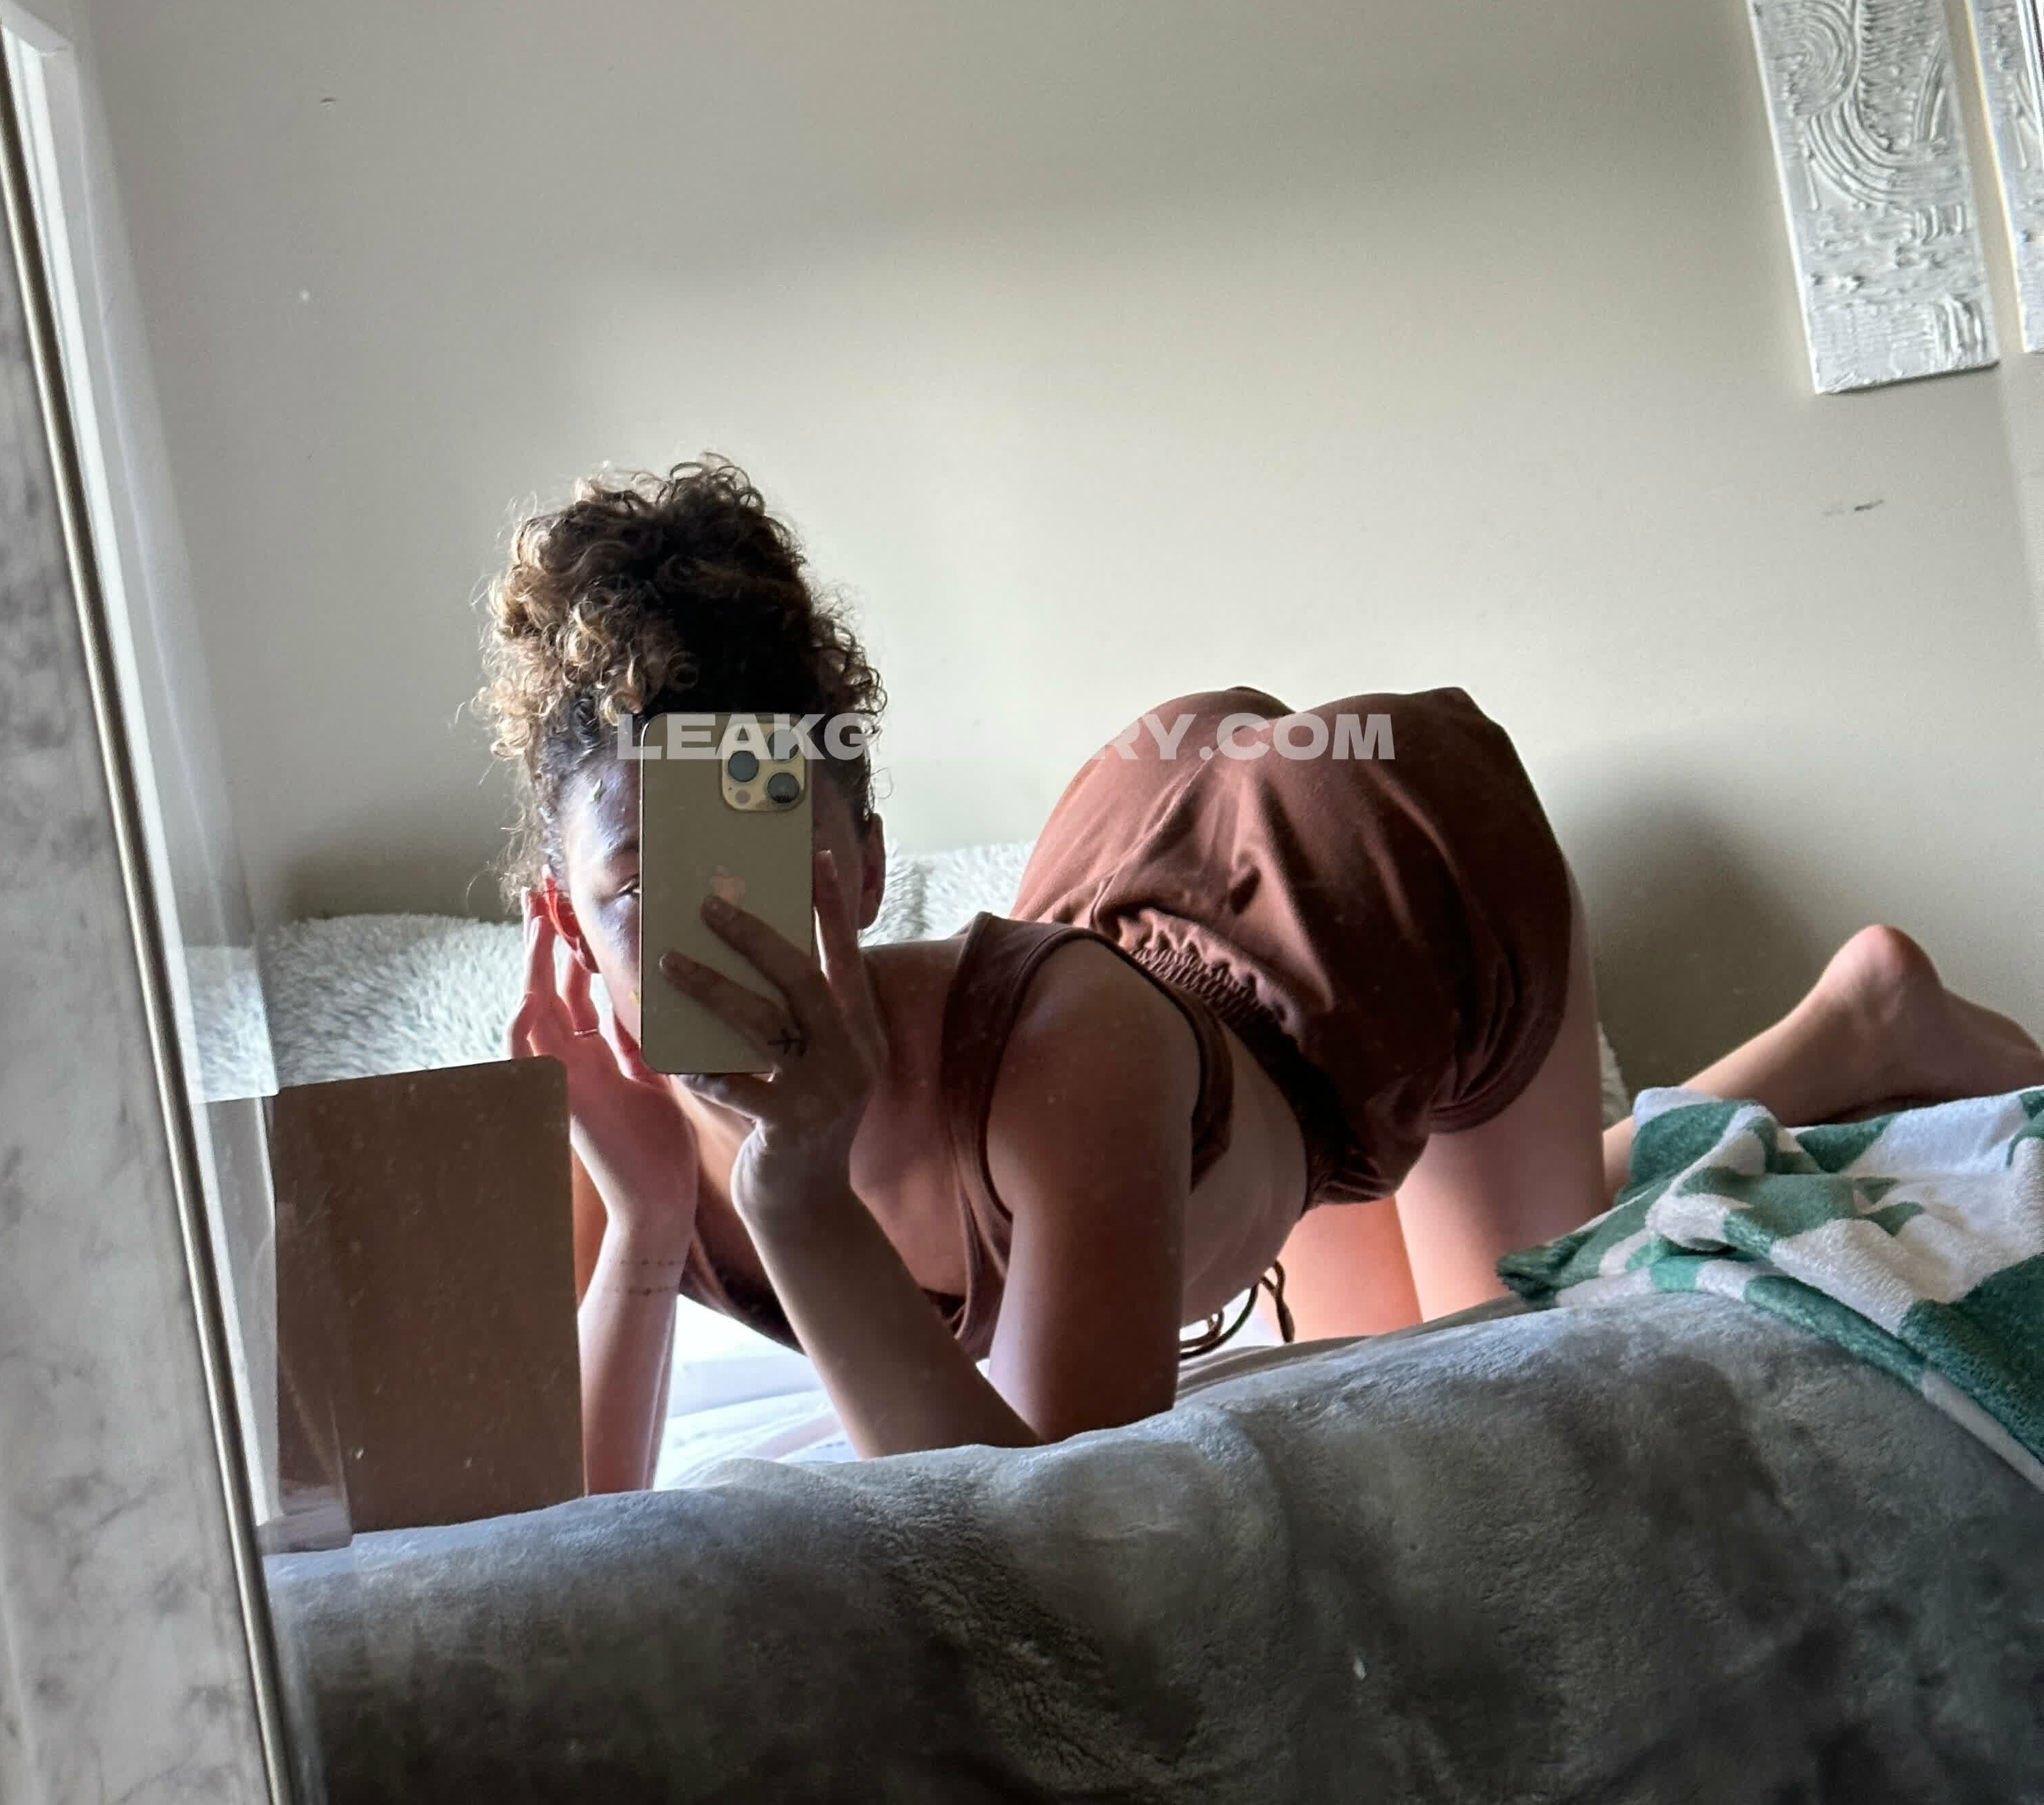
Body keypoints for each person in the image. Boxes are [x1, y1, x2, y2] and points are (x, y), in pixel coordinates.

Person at [484, 460, 2044, 1486]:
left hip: (1373, 891)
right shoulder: (611, 1118)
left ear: (873, 864)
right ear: (560, 922)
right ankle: (1853, 1021)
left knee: (1513, 1321)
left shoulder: (1055, 1064)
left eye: (770, 865)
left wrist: (794, 1194)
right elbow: (561, 1541)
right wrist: (646, 1228)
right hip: (1153, 909)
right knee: (1370, 1336)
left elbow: (1038, 1529)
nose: (725, 939)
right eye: (639, 893)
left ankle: (1863, 1021)